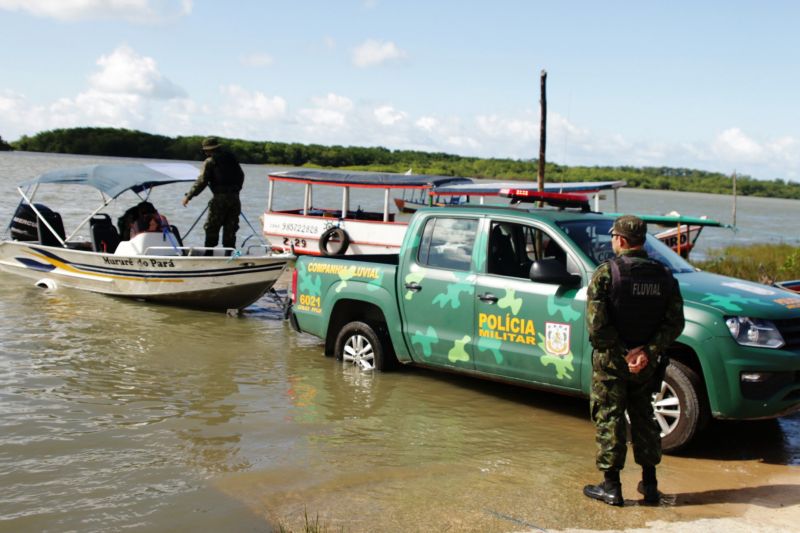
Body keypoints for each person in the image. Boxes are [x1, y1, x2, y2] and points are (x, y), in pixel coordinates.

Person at [583, 215, 684, 507]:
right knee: (644, 418)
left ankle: (611, 487)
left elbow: (597, 328)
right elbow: (674, 323)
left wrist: (625, 353)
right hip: (647, 365)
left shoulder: (606, 274)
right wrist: (646, 352)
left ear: (621, 240)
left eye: (614, 236)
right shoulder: (664, 276)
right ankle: (650, 486)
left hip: (612, 364)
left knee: (609, 418)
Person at [182, 136, 244, 256]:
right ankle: (229, 255)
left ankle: (209, 254)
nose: (205, 153)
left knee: (211, 227)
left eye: (205, 151)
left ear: (209, 150)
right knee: (230, 227)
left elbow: (202, 181)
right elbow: (241, 176)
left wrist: (188, 196)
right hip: (235, 199)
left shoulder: (210, 161)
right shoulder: (231, 159)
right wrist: (235, 191)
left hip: (220, 199)